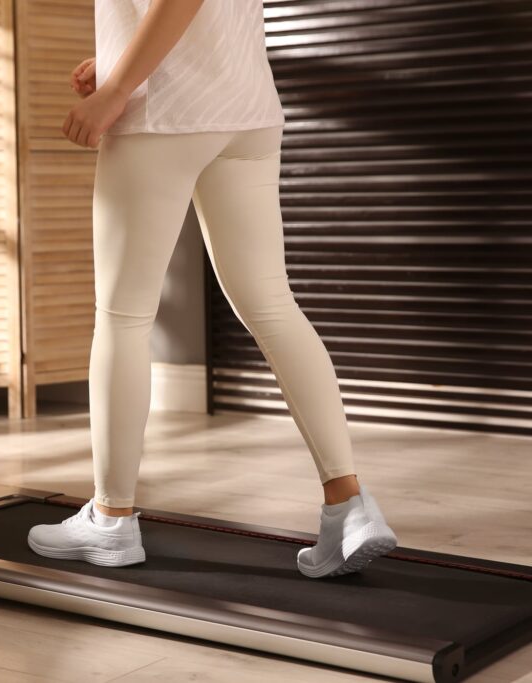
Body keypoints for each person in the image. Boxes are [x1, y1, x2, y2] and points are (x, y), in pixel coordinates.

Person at [27, 0, 398, 579]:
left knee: (123, 318)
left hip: (165, 117)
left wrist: (119, 87)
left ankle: (111, 518)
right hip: (246, 110)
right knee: (273, 305)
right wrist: (121, 58)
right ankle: (349, 506)